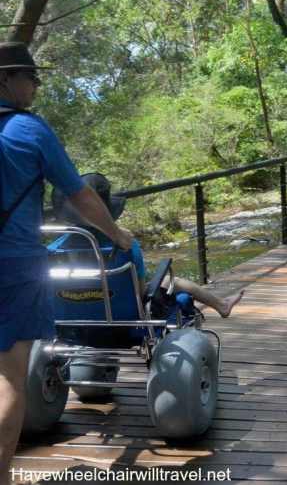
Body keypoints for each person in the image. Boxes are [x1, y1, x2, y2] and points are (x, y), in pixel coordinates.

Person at [0, 42, 134, 484]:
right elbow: (78, 194)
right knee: (10, 380)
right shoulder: (29, 130)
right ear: (6, 80)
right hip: (14, 266)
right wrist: (116, 234)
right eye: (30, 77)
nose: (36, 85)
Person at [51, 172, 244, 319]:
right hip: (123, 315)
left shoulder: (54, 249)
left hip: (70, 315)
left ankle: (222, 304)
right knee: (171, 281)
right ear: (107, 210)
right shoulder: (125, 245)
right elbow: (139, 289)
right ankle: (221, 305)